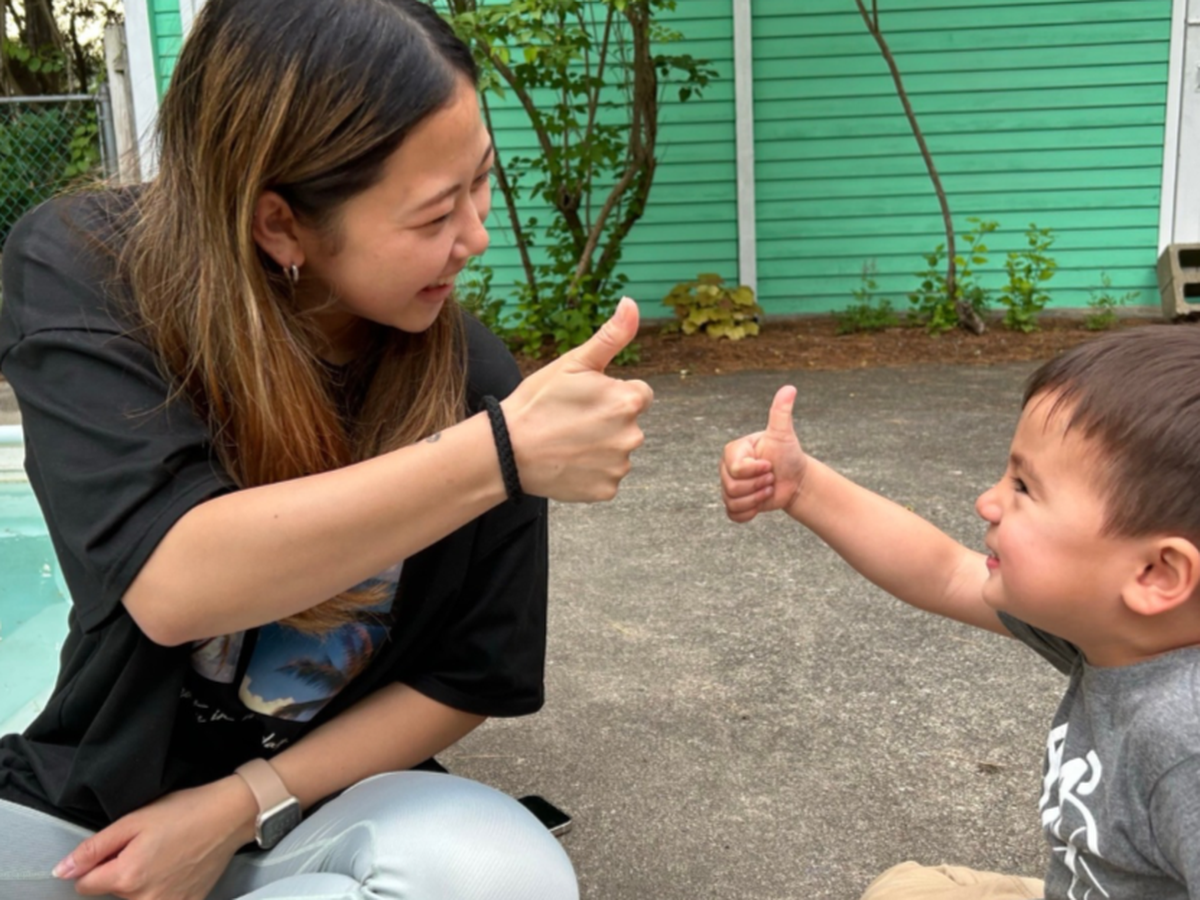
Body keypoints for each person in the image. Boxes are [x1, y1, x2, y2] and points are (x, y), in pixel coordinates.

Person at [0, 0, 654, 898]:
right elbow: (174, 583)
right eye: (434, 215)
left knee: (504, 877)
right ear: (280, 223)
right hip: (88, 815)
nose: (476, 237)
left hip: (319, 816)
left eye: (481, 182)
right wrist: (499, 454)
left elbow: (468, 675)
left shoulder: (473, 378)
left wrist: (241, 804)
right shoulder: (94, 275)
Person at [720, 325, 1200, 900]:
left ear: (1156, 574)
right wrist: (802, 487)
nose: (987, 501)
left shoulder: (1184, 741)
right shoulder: (1116, 632)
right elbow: (945, 572)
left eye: (1024, 487)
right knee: (906, 889)